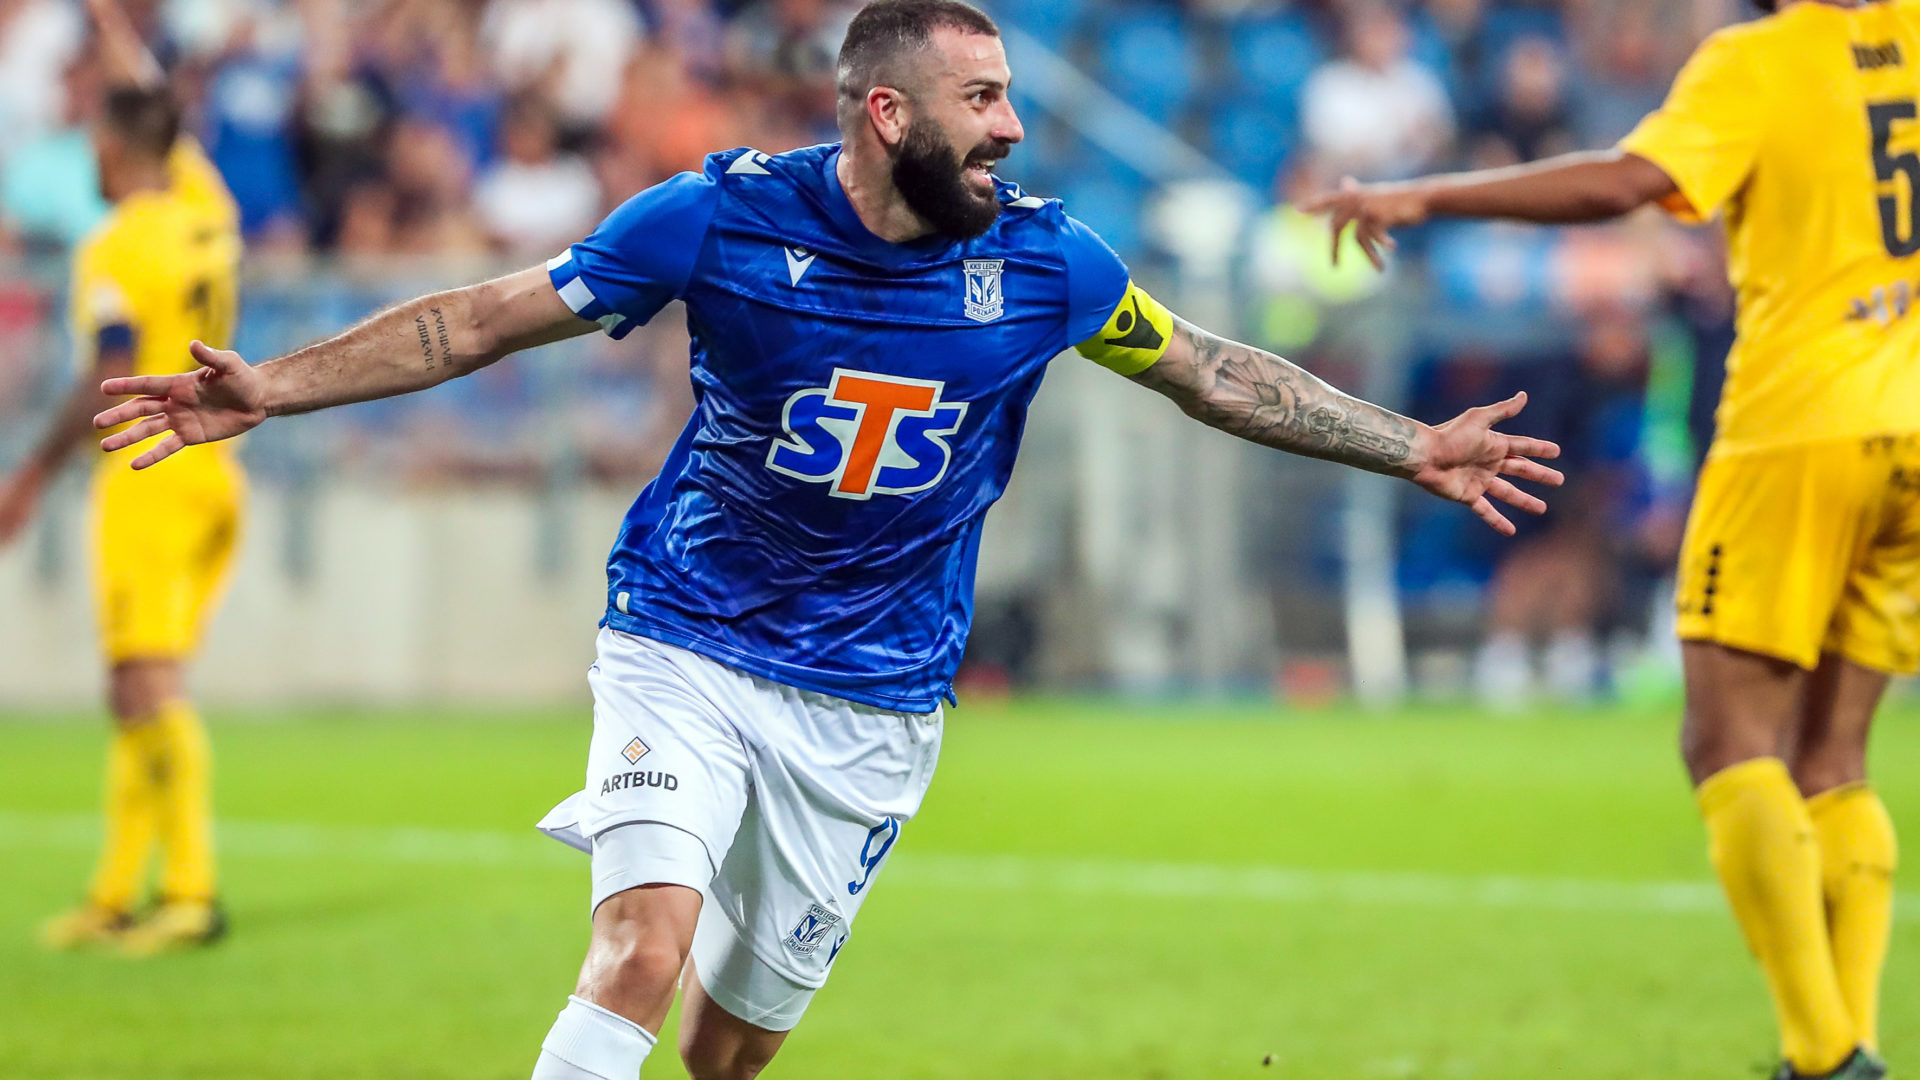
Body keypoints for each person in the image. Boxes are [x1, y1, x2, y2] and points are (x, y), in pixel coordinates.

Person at [92, 2, 1560, 1075]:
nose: (1013, 126)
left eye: (1011, 96)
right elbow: (481, 320)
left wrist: (1412, 444)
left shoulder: (1046, 261)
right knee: (641, 944)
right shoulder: (712, 222)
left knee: (726, 1052)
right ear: (888, 114)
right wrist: (271, 387)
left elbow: (1212, 373)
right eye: (983, 98)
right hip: (685, 638)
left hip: (873, 702)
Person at [1304, 2, 1913, 1077]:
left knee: (1729, 743)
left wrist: (1428, 193)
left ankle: (1823, 1056)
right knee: (1835, 757)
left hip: (1800, 425)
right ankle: (1848, 1040)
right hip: (1911, 427)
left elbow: (1627, 181)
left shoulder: (1762, 59)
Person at [0, 0, 243, 955]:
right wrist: (112, 28)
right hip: (215, 473)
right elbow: (159, 110)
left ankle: (190, 893)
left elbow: (104, 371)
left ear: (109, 145)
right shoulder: (207, 211)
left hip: (148, 469)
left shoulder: (114, 244)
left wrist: (29, 471)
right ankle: (114, 893)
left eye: (94, 139)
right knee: (130, 687)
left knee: (149, 683)